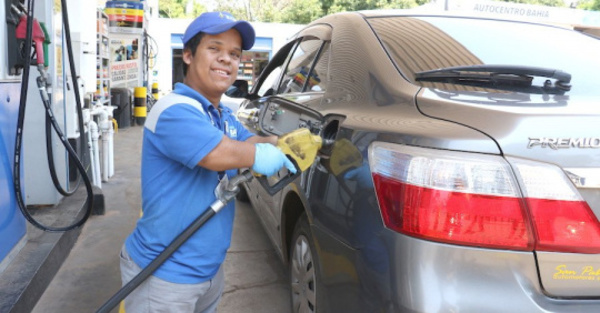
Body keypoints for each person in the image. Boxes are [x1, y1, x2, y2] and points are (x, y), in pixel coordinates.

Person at [119, 11, 295, 312]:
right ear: (188, 55)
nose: (227, 59)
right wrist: (259, 155)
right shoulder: (173, 110)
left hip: (208, 271)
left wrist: (290, 144)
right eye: (214, 49)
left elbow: (247, 141)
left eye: (234, 54)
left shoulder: (221, 113)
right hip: (164, 275)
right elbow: (218, 155)